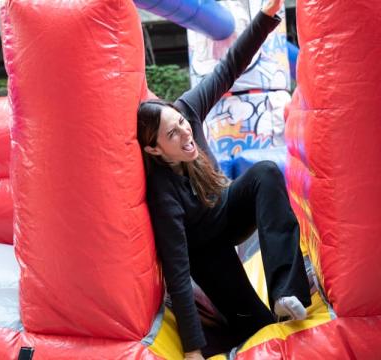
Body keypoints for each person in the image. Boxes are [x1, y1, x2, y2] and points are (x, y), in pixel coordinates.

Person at [136, 1, 311, 359]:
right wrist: (192, 349)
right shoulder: (162, 193)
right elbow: (178, 272)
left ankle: (285, 292)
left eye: (181, 123)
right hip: (205, 249)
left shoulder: (186, 111)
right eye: (173, 135)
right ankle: (259, 314)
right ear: (154, 150)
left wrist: (265, 18)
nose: (185, 134)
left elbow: (230, 66)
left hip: (225, 210)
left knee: (264, 171)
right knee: (257, 326)